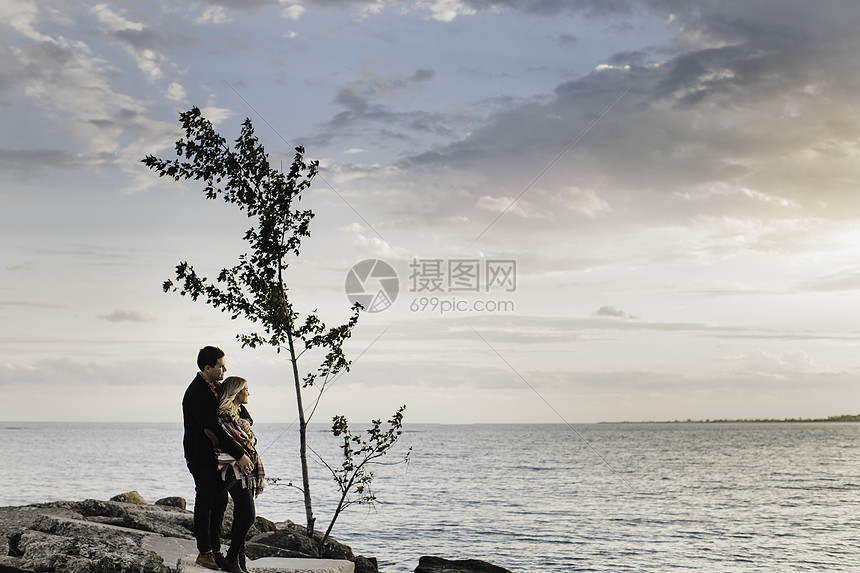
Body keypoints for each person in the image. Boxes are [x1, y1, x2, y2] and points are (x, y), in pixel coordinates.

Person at [182, 346, 254, 571]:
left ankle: (216, 550)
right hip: (201, 456)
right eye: (221, 366)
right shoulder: (196, 393)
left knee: (220, 502)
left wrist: (244, 425)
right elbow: (213, 428)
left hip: (219, 458)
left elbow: (240, 411)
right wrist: (240, 454)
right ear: (207, 368)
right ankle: (204, 553)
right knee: (205, 503)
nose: (225, 369)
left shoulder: (218, 388)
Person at [216, 376, 265, 573]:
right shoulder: (224, 415)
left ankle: (239, 557)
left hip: (245, 472)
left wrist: (248, 429)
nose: (249, 393)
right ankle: (231, 558)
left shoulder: (238, 417)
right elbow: (233, 443)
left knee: (240, 515)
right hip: (233, 472)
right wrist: (247, 435)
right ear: (236, 392)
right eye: (246, 389)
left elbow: (251, 441)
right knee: (249, 517)